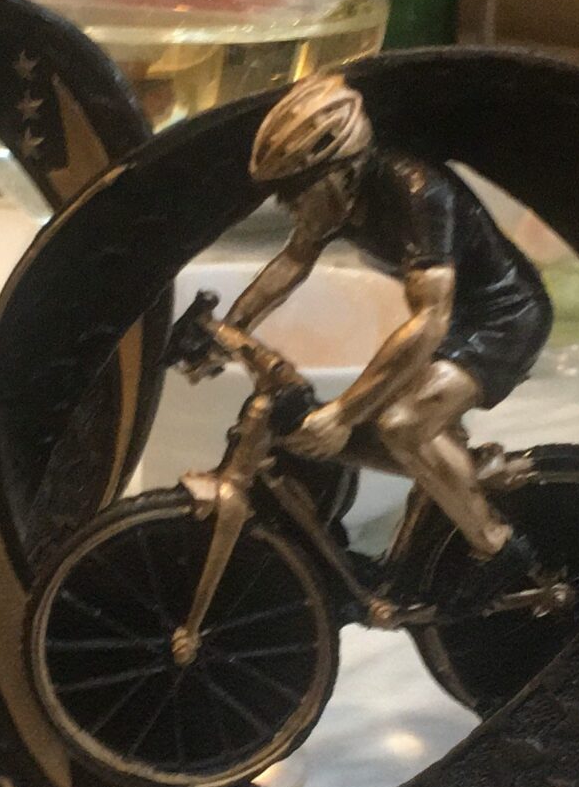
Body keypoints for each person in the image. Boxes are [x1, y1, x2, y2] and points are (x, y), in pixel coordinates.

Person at [224, 71, 552, 559]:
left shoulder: (419, 193)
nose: (292, 208)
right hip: (458, 319)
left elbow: (429, 321)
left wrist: (343, 411)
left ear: (342, 172)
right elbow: (292, 262)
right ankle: (463, 470)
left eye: (297, 194)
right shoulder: (335, 201)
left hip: (505, 318)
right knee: (330, 433)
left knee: (400, 423)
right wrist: (232, 325)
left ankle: (497, 546)